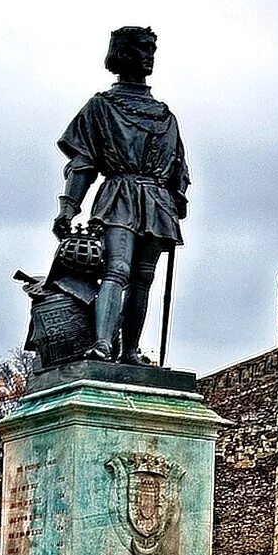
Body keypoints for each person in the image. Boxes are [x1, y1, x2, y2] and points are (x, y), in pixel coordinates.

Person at [52, 25, 189, 364]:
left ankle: (129, 350)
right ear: (123, 54)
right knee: (117, 270)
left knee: (143, 279)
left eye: (151, 51)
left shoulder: (165, 115)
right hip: (120, 195)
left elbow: (179, 168)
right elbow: (83, 163)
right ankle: (102, 344)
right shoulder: (100, 107)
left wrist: (175, 196)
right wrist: (69, 208)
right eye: (142, 50)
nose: (149, 57)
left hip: (156, 201)